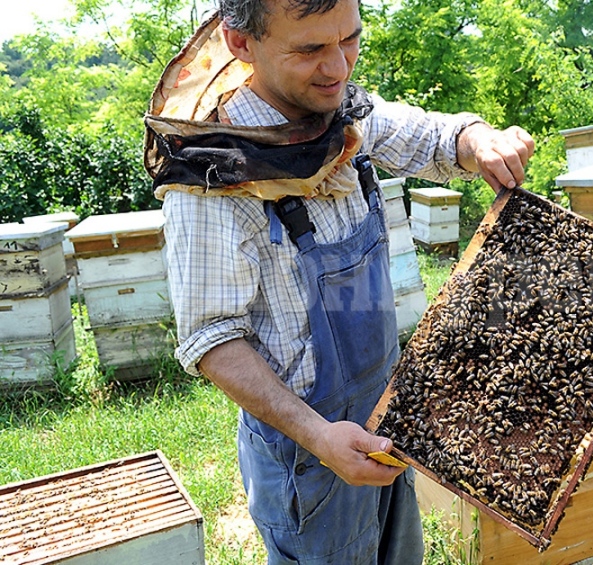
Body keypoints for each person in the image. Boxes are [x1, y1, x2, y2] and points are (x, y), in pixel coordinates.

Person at [144, 0, 534, 563]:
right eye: (309, 50)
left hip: (387, 418)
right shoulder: (209, 181)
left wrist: (477, 139)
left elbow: (431, 137)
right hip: (308, 454)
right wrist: (321, 438)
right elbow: (213, 342)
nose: (339, 68)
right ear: (240, 43)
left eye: (350, 39)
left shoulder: (342, 115)